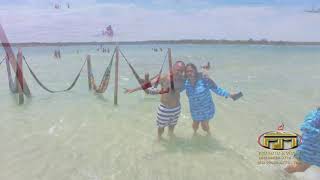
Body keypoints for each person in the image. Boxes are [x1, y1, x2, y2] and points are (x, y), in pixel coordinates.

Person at [125, 61, 186, 141]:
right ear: (172, 68)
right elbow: (148, 84)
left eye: (181, 71)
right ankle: (159, 138)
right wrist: (133, 89)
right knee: (161, 127)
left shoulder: (183, 79)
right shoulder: (164, 77)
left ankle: (171, 135)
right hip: (165, 109)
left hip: (176, 108)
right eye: (177, 70)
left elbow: (194, 78)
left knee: (172, 125)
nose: (179, 72)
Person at [181, 63, 242, 136]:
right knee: (195, 125)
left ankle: (209, 134)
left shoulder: (204, 80)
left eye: (191, 71)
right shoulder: (186, 83)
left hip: (206, 108)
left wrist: (229, 95)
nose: (189, 73)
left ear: (195, 71)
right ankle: (195, 134)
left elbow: (216, 89)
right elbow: (179, 89)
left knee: (204, 126)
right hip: (195, 109)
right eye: (187, 71)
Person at [285, 108, 320, 173]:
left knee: (301, 167)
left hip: (316, 149)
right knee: (300, 167)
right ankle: (279, 174)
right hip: (309, 146)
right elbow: (305, 126)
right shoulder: (316, 115)